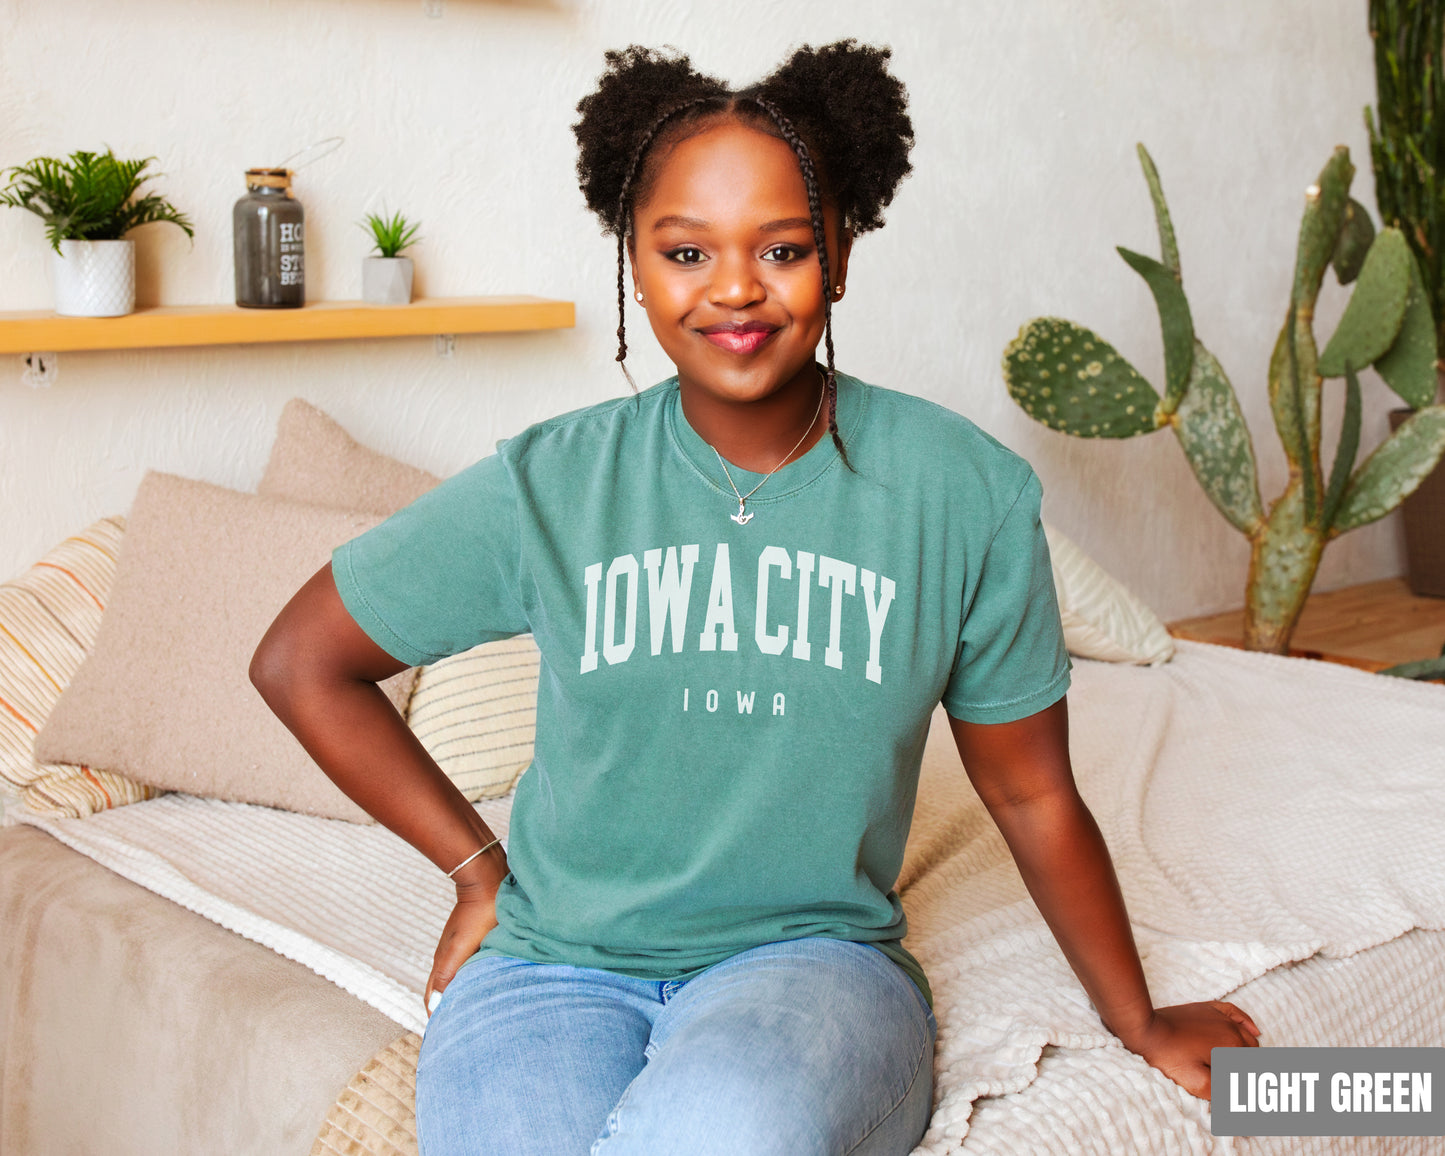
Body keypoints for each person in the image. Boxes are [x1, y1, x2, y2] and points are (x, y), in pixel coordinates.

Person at [250, 40, 1260, 1156]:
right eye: (685, 250)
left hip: (811, 970)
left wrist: (1135, 1014)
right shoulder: (551, 484)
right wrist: (475, 872)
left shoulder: (960, 493)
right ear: (632, 261)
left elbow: (1028, 794)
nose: (734, 287)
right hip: (548, 967)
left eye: (781, 247)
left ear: (840, 250)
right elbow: (300, 660)